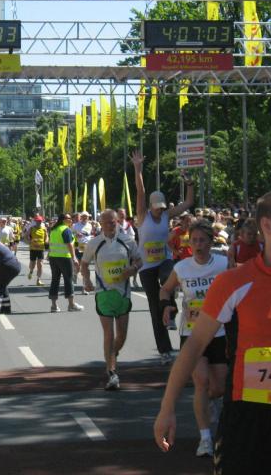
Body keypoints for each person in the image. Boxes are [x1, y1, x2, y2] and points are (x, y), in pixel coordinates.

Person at [153, 189, 271, 475]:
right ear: (267, 227)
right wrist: (167, 407)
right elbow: (194, 346)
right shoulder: (233, 283)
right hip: (247, 417)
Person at [158, 220, 228, 457]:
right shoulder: (182, 268)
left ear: (210, 242)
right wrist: (167, 305)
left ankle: (210, 403)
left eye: (202, 240)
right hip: (191, 333)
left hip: (219, 332)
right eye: (194, 240)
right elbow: (165, 289)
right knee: (201, 382)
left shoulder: (223, 264)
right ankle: (205, 438)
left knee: (218, 388)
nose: (198, 245)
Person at [131, 150, 194, 365]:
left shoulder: (167, 215)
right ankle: (165, 350)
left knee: (169, 280)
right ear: (151, 207)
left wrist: (189, 183)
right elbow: (140, 192)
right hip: (147, 267)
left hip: (164, 261)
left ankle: (171, 311)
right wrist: (138, 168)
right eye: (157, 208)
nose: (160, 211)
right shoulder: (143, 215)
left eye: (162, 208)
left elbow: (188, 203)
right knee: (153, 308)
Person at [80, 209, 142, 391]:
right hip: (104, 293)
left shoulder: (128, 241)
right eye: (106, 222)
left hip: (123, 293)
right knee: (109, 334)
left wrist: (133, 269)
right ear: (100, 224)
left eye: (112, 222)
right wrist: (86, 280)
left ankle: (112, 355)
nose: (109, 225)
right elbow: (84, 263)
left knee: (121, 336)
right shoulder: (94, 243)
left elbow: (139, 260)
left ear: (117, 222)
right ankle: (111, 372)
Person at [48, 213, 84, 313]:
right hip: (64, 257)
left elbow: (53, 243)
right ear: (63, 220)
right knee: (68, 280)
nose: (71, 220)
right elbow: (69, 245)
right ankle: (71, 305)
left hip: (53, 257)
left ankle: (54, 306)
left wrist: (74, 236)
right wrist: (74, 258)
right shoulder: (65, 229)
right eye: (69, 218)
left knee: (55, 280)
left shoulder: (54, 229)